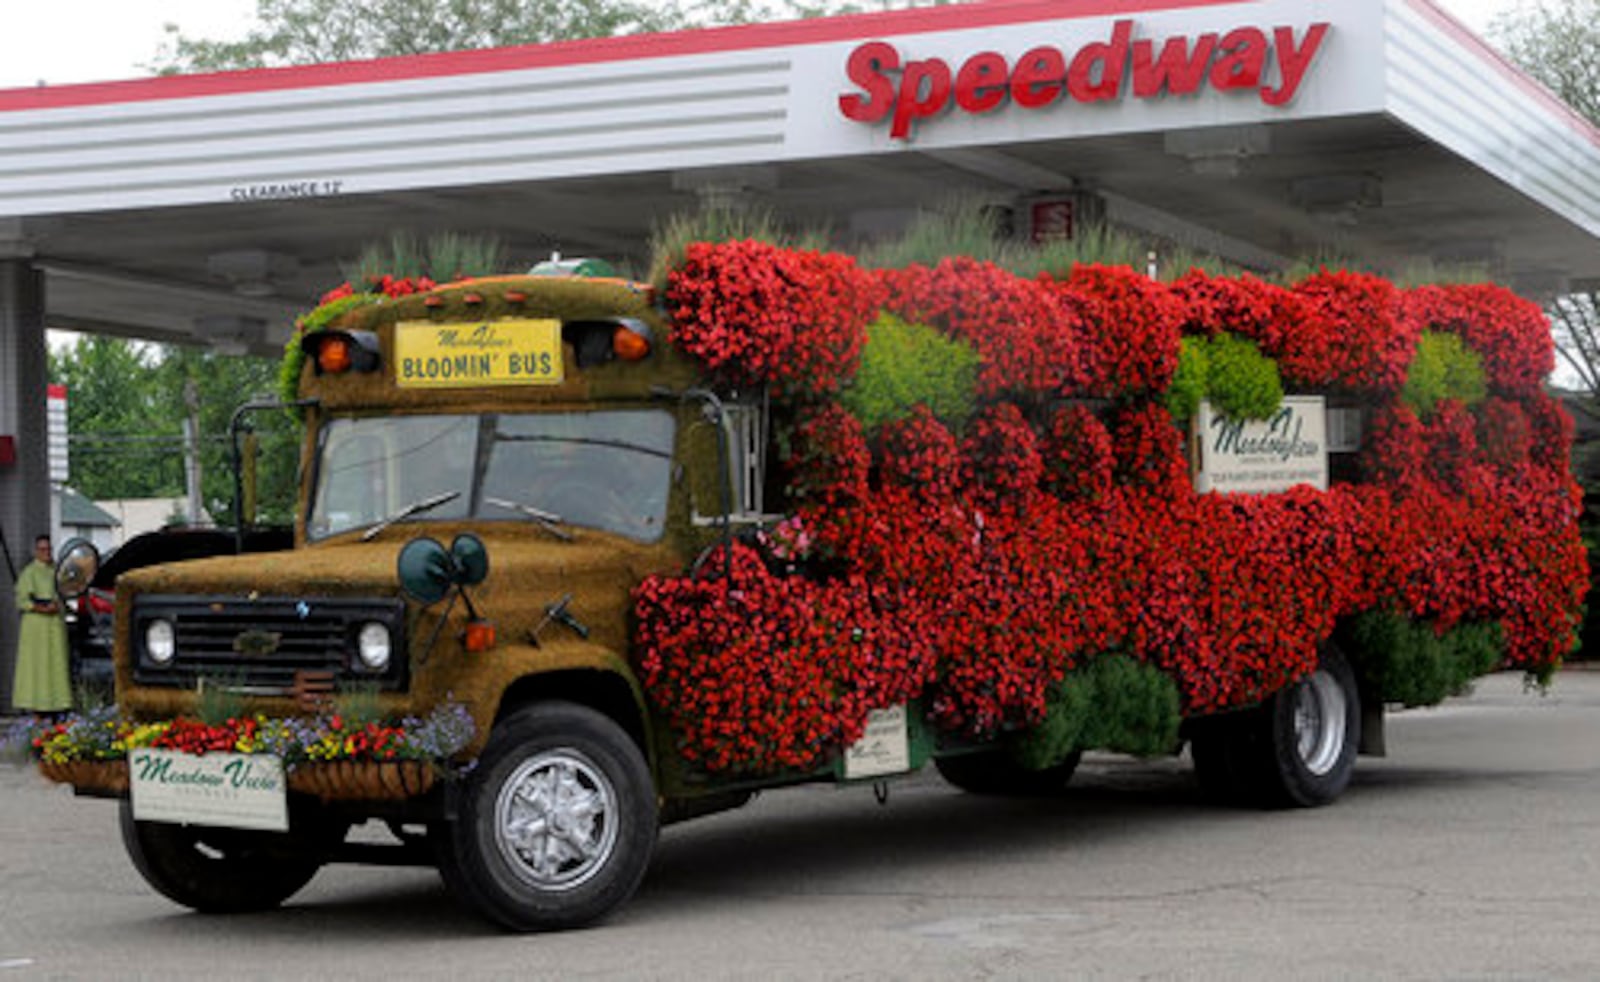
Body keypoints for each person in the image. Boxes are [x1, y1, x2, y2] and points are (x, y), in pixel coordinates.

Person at [12, 534, 71, 716]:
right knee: (36, 665)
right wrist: (40, 608)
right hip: (36, 626)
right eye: (42, 550)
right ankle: (36, 706)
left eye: (48, 549)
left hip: (54, 624)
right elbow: (22, 600)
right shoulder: (29, 572)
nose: (46, 553)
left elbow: (68, 592)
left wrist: (59, 605)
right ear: (36, 552)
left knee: (56, 664)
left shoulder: (58, 572)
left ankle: (57, 704)